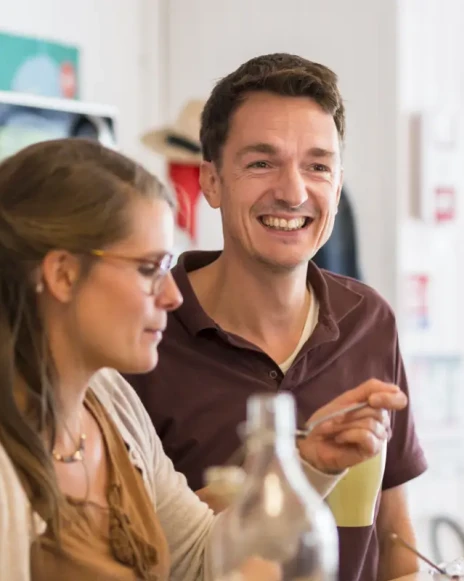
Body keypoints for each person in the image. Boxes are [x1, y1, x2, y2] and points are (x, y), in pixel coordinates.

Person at [0, 138, 406, 580]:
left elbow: (197, 557)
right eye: (148, 268)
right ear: (63, 274)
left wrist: (309, 463)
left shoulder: (110, 403)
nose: (172, 294)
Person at [124, 53, 428, 581]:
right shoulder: (143, 327)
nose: (293, 192)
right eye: (262, 162)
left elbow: (395, 539)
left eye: (317, 166)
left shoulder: (369, 321)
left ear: (337, 185)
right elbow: (136, 549)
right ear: (212, 182)